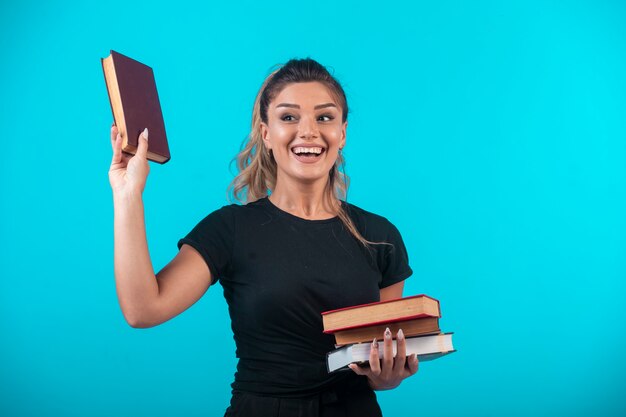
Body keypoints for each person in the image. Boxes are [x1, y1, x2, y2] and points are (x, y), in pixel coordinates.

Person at [109, 58, 418, 417]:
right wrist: (127, 194)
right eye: (289, 117)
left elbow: (377, 365)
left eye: (324, 117)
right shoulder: (230, 229)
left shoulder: (380, 236)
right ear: (266, 133)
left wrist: (387, 377)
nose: (308, 132)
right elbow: (143, 309)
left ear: (342, 132)